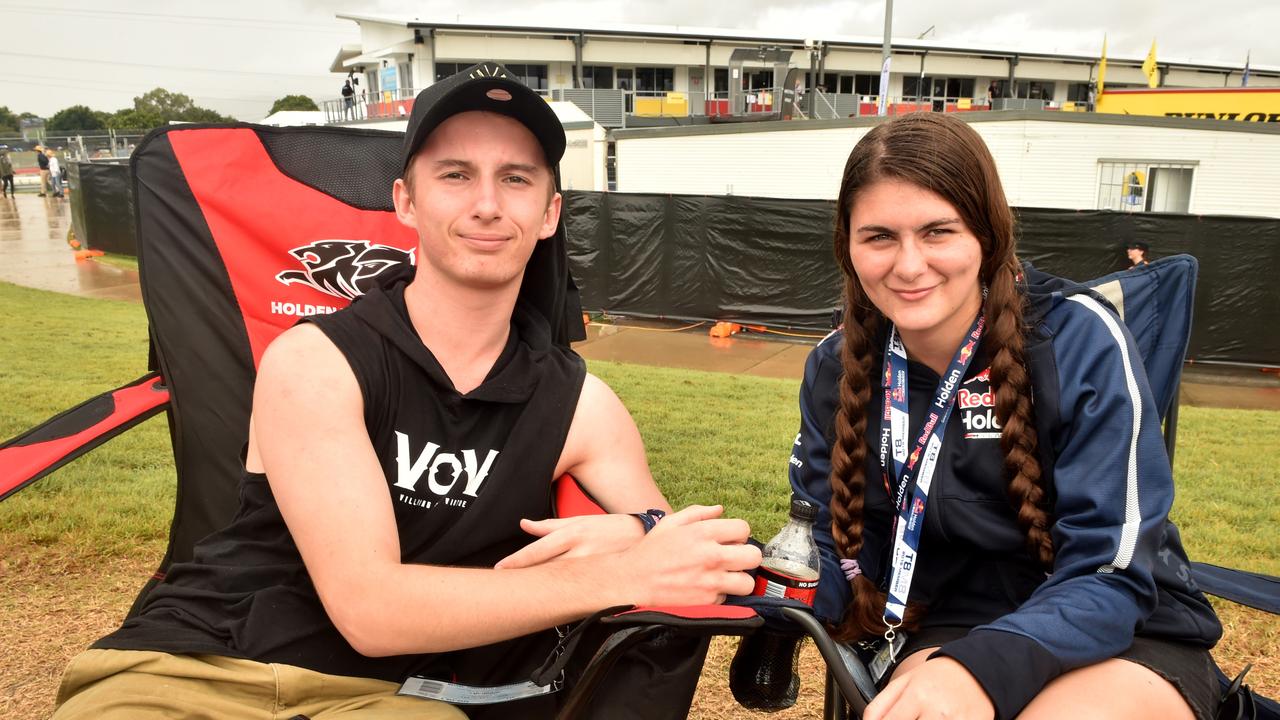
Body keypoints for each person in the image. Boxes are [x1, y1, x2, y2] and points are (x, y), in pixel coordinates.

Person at [51, 62, 760, 720]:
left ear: (549, 214)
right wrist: (621, 573)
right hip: (197, 669)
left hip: (391, 698)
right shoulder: (316, 361)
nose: (487, 204)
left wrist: (638, 533)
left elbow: (690, 554)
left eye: (516, 179)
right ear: (405, 201)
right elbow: (370, 608)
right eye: (455, 174)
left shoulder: (581, 408)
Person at [789, 113, 1222, 720]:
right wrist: (771, 584)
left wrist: (983, 668)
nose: (909, 266)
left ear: (987, 237)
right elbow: (832, 547)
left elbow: (1114, 567)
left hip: (1120, 623)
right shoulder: (837, 366)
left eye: (938, 231)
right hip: (951, 626)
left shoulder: (1078, 337)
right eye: (879, 236)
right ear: (848, 247)